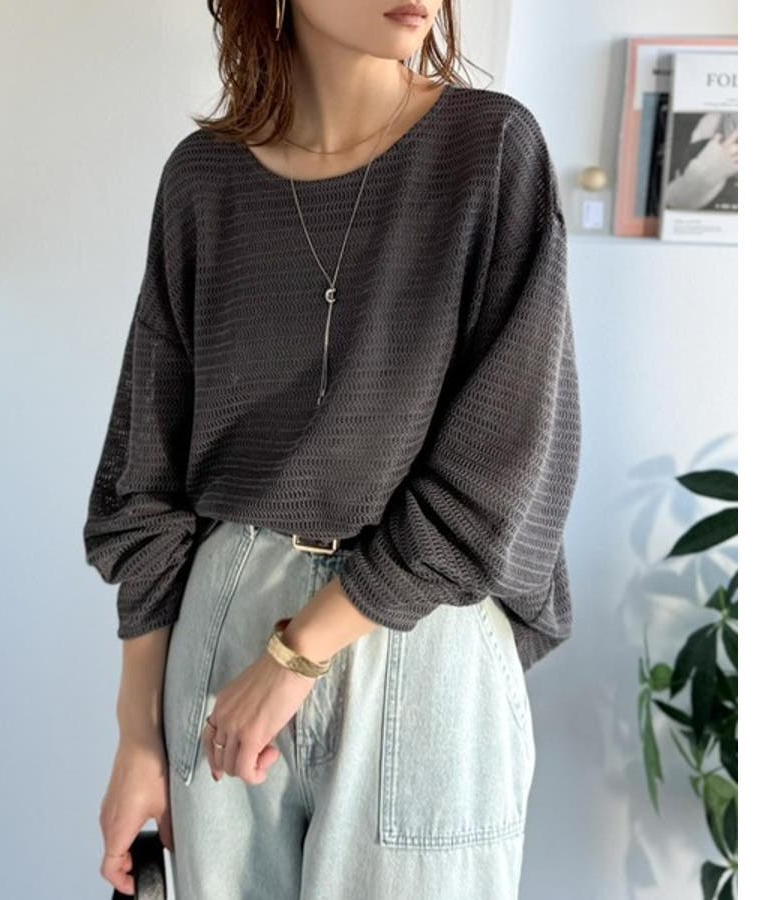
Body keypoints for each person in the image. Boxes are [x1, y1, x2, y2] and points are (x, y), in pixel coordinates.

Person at [82, 1, 582, 897]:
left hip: (419, 639)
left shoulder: (491, 152)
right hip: (225, 626)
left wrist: (299, 654)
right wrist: (136, 737)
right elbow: (145, 472)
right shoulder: (203, 180)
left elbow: (501, 464)